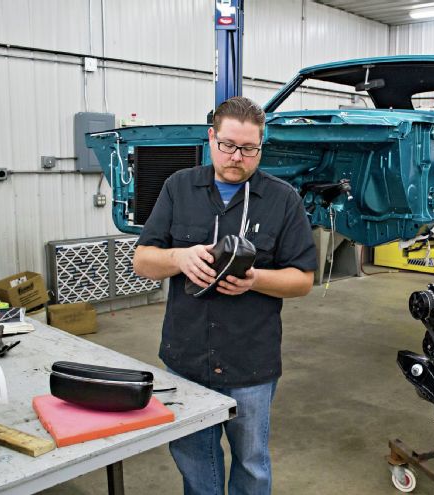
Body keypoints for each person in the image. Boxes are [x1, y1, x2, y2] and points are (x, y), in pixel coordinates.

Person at [133, 96, 317, 495]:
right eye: (228, 145)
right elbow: (142, 261)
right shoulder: (179, 187)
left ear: (261, 147)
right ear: (211, 137)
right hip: (186, 356)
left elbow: (303, 279)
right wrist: (179, 257)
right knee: (194, 459)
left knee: (251, 464)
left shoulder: (283, 199)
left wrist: (256, 281)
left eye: (249, 149)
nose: (237, 157)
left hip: (249, 361)